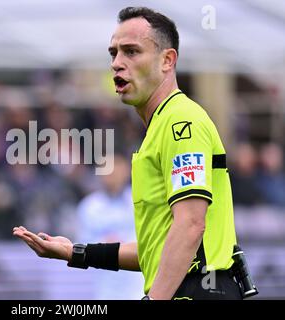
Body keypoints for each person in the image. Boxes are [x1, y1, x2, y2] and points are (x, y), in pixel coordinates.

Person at [13, 7, 252, 300]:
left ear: (167, 60)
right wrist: (74, 252)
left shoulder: (181, 122)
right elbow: (155, 251)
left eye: (131, 51)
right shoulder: (159, 129)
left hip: (201, 289)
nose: (117, 63)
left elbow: (191, 224)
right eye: (113, 53)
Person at [75, 154, 144, 299]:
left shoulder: (140, 200)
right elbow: (81, 243)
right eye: (106, 169)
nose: (111, 174)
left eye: (115, 169)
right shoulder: (89, 206)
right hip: (104, 284)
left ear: (126, 170)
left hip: (137, 283)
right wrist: (103, 242)